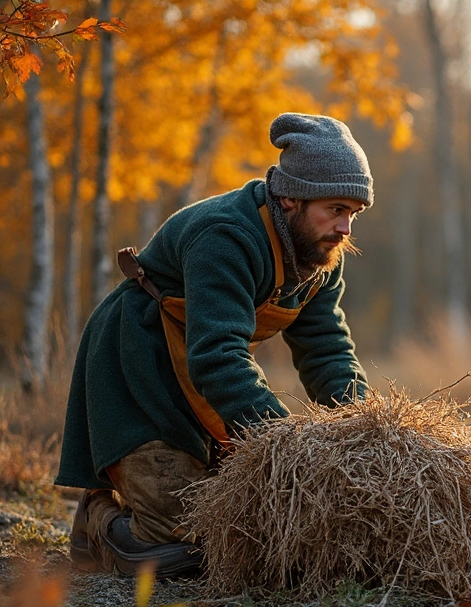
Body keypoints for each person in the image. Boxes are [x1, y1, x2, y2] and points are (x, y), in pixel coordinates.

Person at [57, 113, 372, 578]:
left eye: (353, 214)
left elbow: (327, 348)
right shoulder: (226, 236)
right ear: (291, 197)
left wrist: (366, 429)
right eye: (336, 209)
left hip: (201, 376)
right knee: (178, 546)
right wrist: (283, 446)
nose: (345, 228)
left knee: (243, 532)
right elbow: (219, 355)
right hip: (137, 363)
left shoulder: (321, 253)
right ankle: (97, 518)